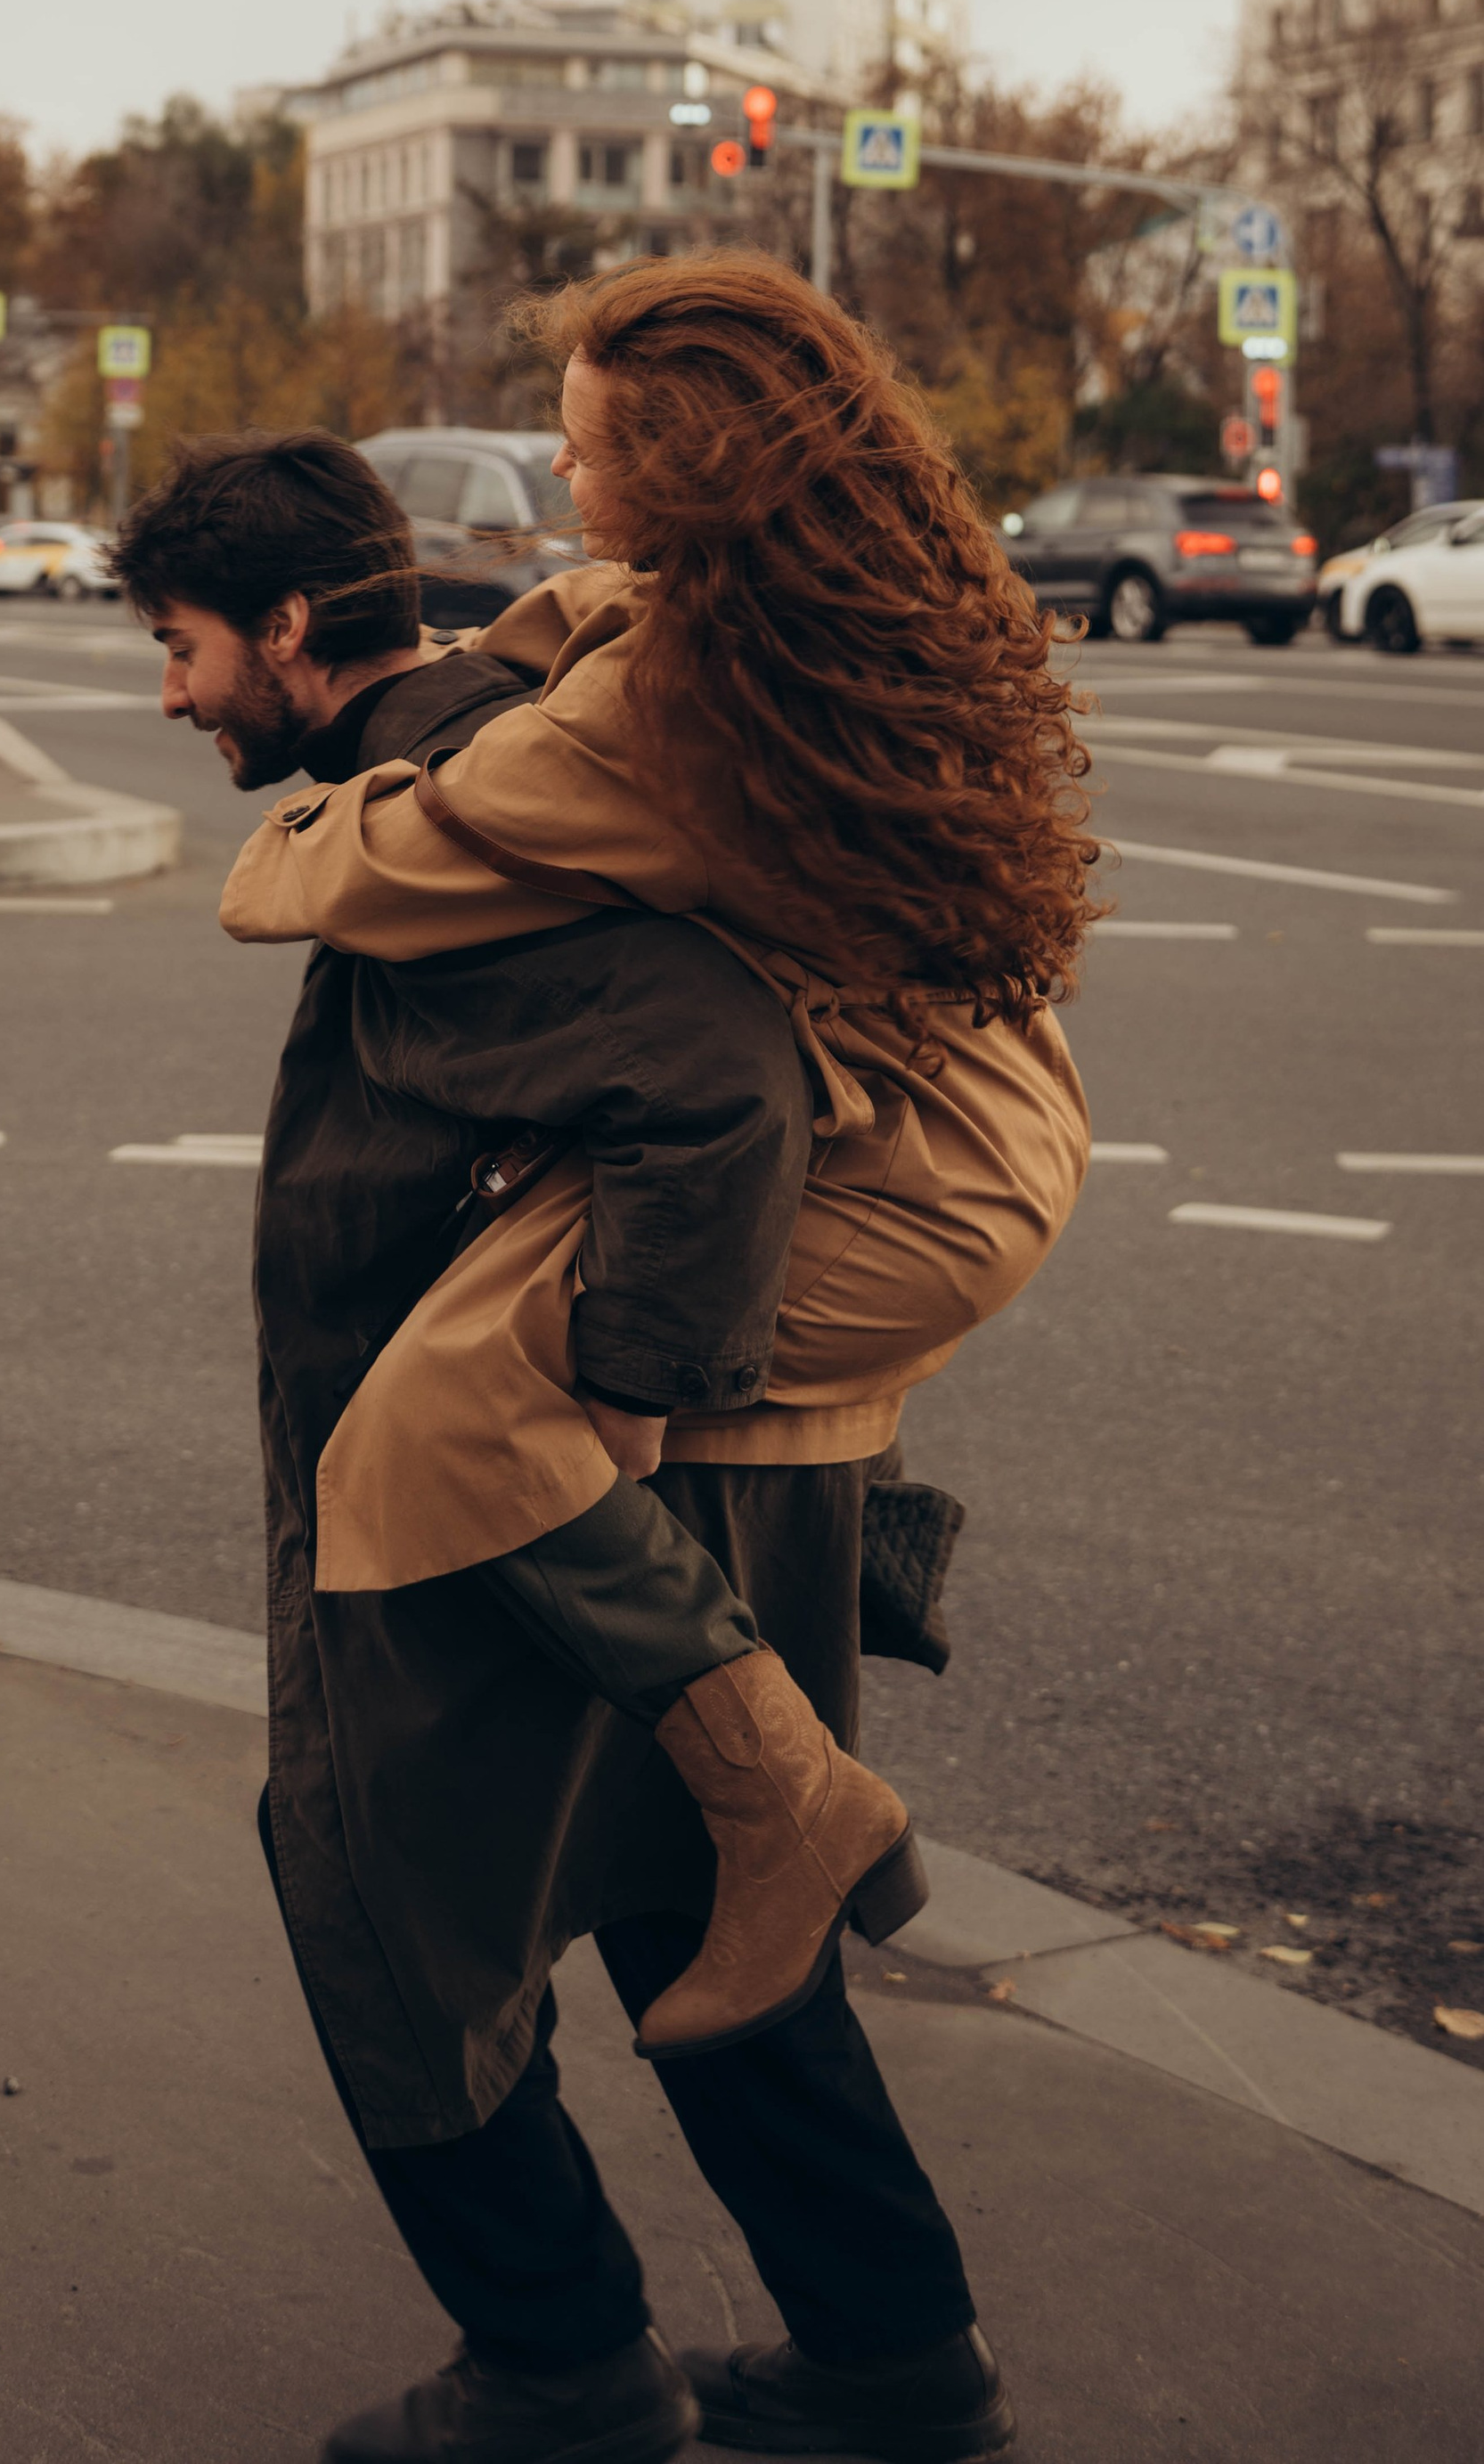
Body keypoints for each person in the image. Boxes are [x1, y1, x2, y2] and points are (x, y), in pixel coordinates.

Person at [113, 401, 1033, 2464]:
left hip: (543, 1490)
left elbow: (713, 1084)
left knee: (357, 1871)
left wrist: (611, 1403)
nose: (167, 693)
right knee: (678, 1875)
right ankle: (891, 2345)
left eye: (178, 645)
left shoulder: (434, 820)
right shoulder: (497, 743)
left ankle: (554, 2358)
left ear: (283, 622)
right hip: (692, 1458)